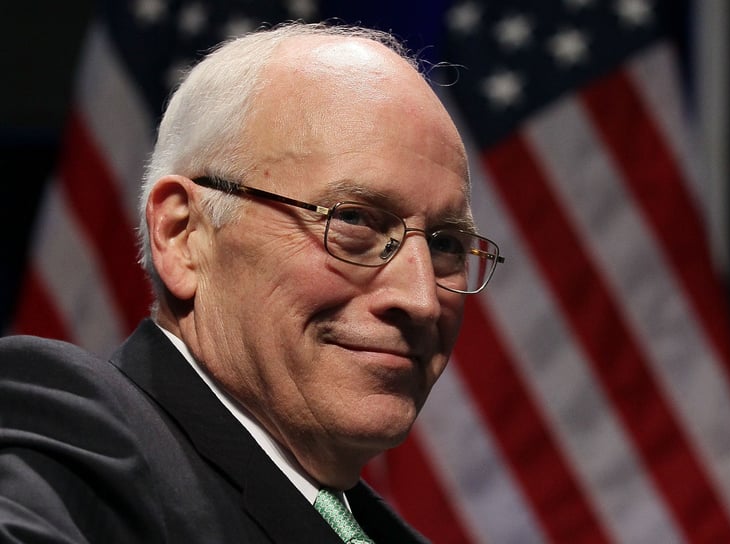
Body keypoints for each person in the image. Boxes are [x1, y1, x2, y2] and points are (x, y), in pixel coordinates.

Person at [0, 21, 504, 543]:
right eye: (353, 221)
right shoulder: (72, 429)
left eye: (445, 244)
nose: (420, 300)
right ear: (183, 234)